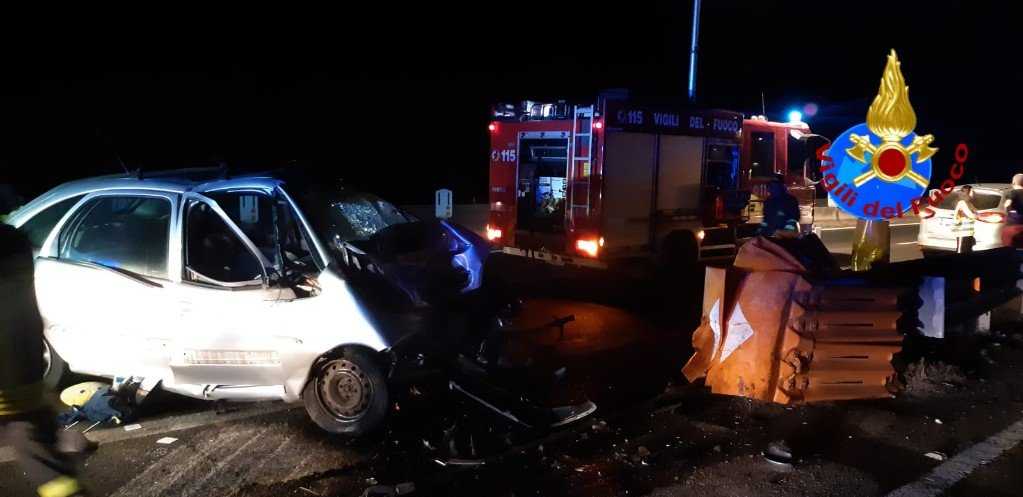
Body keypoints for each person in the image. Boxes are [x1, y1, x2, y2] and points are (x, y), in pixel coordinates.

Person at [0, 223, 87, 497]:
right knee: (42, 450)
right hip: (25, 382)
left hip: (14, 392)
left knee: (41, 454)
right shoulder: (15, 250)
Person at [953, 185, 978, 254]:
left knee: (967, 250)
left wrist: (977, 214)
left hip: (969, 232)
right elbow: (971, 215)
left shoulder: (969, 203)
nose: (973, 193)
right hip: (962, 232)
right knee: (961, 251)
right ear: (967, 192)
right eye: (972, 191)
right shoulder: (961, 203)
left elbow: (977, 212)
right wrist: (976, 215)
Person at [1002, 174, 1023, 247]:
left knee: (1010, 248)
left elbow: (1007, 205)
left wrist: (1008, 212)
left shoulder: (1013, 192)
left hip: (1014, 226)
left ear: (1013, 183)